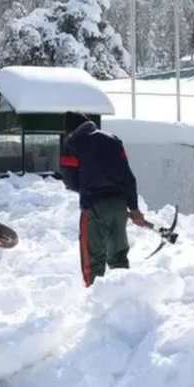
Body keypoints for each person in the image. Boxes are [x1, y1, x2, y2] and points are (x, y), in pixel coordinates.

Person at [60, 112, 152, 287]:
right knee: (118, 256)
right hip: (119, 205)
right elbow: (128, 176)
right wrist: (133, 208)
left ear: (69, 130)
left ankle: (94, 298)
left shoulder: (72, 143)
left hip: (94, 207)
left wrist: (88, 187)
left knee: (93, 259)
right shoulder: (113, 140)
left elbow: (70, 181)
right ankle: (122, 295)